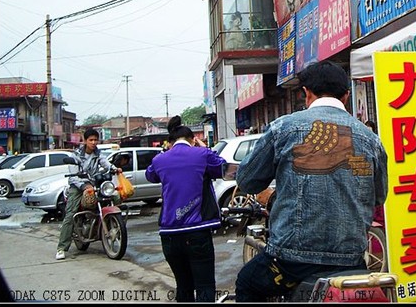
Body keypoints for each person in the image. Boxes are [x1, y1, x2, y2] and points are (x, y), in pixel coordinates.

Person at [234, 60, 388, 302]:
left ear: (306, 93)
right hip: (351, 261)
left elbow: (247, 181)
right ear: (346, 96)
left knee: (247, 282)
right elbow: (379, 197)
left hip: (290, 263)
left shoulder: (283, 128)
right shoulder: (371, 139)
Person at [145, 116, 226, 302]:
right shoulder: (202, 154)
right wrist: (203, 147)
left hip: (169, 234)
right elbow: (222, 167)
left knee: (183, 286)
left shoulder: (159, 159)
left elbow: (150, 175)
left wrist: (166, 153)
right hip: (197, 232)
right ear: (192, 139)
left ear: (171, 142)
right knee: (205, 286)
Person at [56, 127, 120, 260]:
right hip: (77, 186)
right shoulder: (76, 156)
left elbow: (105, 163)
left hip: (93, 184)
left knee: (115, 196)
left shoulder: (98, 154)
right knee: (70, 214)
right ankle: (61, 247)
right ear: (85, 141)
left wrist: (115, 169)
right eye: (91, 140)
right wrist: (84, 186)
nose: (94, 142)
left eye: (96, 140)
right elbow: (73, 177)